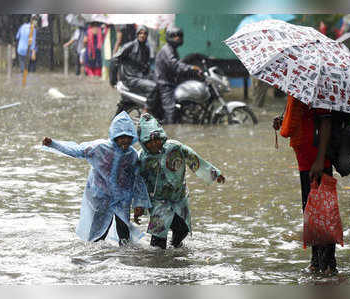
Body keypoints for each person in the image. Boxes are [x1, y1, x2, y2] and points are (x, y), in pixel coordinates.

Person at [41, 111, 151, 246]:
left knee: (124, 232)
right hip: (101, 197)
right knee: (98, 233)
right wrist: (53, 144)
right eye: (121, 137)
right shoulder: (99, 148)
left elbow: (137, 180)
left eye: (128, 137)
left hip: (122, 199)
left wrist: (139, 203)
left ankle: (124, 260)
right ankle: (95, 256)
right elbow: (76, 150)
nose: (125, 140)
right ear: (114, 135)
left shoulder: (132, 155)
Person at [137, 113, 225, 249]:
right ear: (143, 143)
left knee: (183, 229)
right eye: (149, 141)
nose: (154, 144)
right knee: (158, 239)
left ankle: (175, 248)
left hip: (179, 198)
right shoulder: (142, 158)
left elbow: (194, 159)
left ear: (162, 137)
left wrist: (214, 174)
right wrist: (139, 206)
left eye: (157, 139)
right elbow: (138, 183)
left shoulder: (175, 148)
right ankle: (156, 264)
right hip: (158, 202)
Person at [273, 95, 337, 275]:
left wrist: (319, 160)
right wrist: (282, 121)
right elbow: (300, 118)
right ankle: (316, 262)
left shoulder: (317, 90)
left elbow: (326, 123)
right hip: (305, 161)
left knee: (322, 213)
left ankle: (328, 264)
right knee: (310, 212)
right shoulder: (300, 90)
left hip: (318, 162)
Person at [155, 26, 202, 124]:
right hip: (165, 83)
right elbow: (175, 65)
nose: (177, 38)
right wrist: (192, 68)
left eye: (179, 36)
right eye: (174, 36)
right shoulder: (167, 50)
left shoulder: (173, 49)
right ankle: (170, 129)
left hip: (172, 81)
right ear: (169, 37)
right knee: (171, 111)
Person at [110, 25, 157, 116]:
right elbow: (114, 60)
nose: (142, 35)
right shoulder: (129, 46)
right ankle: (146, 111)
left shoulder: (146, 49)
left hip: (141, 77)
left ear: (147, 35)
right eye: (140, 33)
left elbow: (146, 66)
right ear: (137, 34)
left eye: (144, 33)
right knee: (153, 87)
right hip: (130, 79)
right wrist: (113, 81)